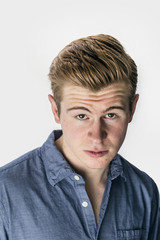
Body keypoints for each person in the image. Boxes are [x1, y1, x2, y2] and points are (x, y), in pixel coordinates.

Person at [0, 34, 159, 239]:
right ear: (56, 110)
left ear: (132, 109)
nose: (96, 137)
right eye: (81, 116)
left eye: (111, 115)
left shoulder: (144, 190)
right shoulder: (4, 191)